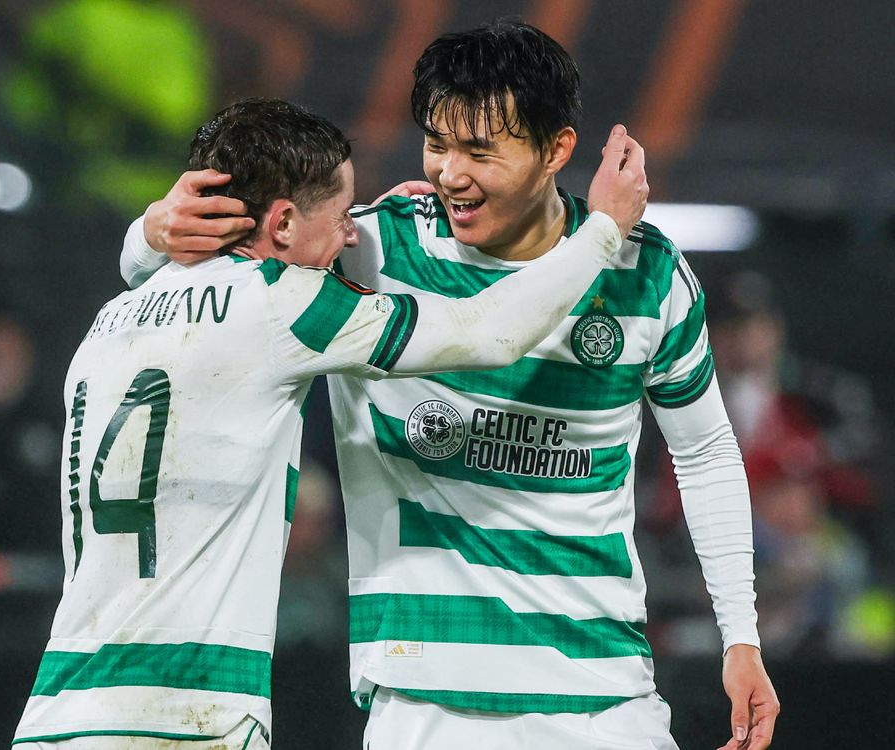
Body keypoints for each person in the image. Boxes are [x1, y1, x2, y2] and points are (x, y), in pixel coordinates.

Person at [121, 22, 779, 750]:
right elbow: (180, 291)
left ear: (556, 149)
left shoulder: (647, 272)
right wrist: (149, 233)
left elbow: (706, 453)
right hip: (423, 700)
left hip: (603, 697)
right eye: (437, 143)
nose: (449, 173)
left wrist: (740, 636)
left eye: (480, 151)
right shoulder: (370, 249)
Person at [15, 96, 648, 748]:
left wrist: (146, 233)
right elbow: (491, 331)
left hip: (57, 712)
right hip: (185, 708)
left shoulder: (110, 318)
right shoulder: (281, 301)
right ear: (284, 223)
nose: (352, 235)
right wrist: (604, 228)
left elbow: (154, 266)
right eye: (345, 216)